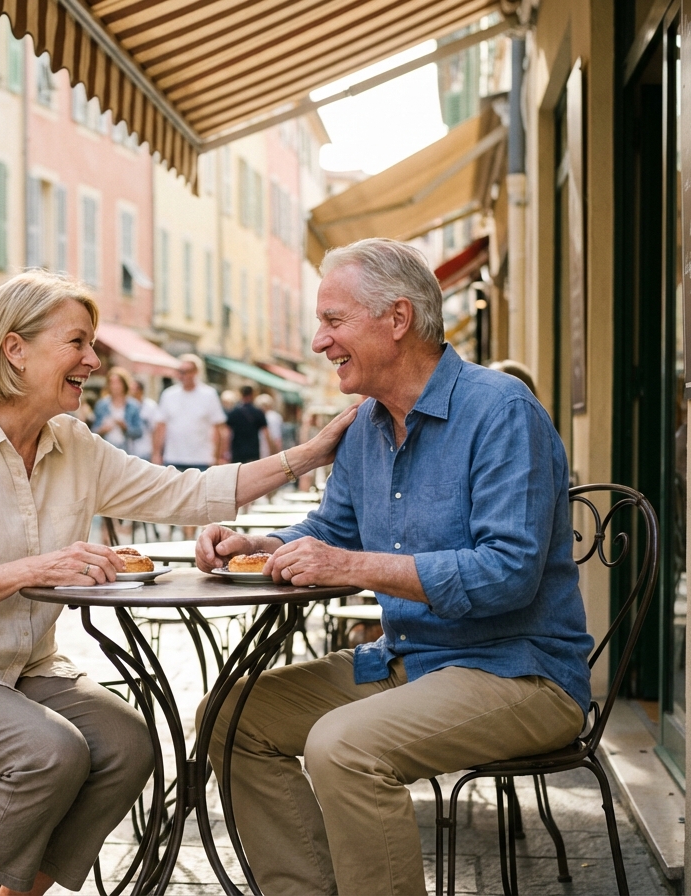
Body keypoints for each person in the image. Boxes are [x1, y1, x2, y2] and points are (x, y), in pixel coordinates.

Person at [0, 269, 357, 896]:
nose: (93, 359)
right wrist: (38, 569)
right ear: (15, 348)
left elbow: (188, 491)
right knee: (50, 751)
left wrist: (310, 454)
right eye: (77, 343)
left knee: (127, 744)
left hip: (18, 671)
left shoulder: (72, 443)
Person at [195, 238, 593, 896]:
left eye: (333, 320)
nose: (320, 342)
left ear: (398, 319)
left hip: (523, 673)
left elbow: (507, 573)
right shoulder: (364, 426)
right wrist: (264, 545)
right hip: (413, 659)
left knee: (342, 747)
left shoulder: (502, 413)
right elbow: (331, 531)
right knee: (231, 716)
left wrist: (347, 563)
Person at [151, 353, 226, 470]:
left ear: (196, 372)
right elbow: (160, 427)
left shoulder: (209, 395)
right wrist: (156, 454)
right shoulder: (168, 395)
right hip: (173, 459)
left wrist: (216, 457)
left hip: (202, 459)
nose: (184, 375)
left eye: (188, 371)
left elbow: (218, 428)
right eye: (181, 371)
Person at [91, 366, 143, 452]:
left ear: (124, 384)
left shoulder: (133, 406)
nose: (115, 386)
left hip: (126, 450)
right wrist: (102, 429)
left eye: (118, 382)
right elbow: (93, 431)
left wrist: (125, 427)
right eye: (111, 382)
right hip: (106, 448)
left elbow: (139, 432)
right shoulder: (101, 405)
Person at [225, 386, 267, 465]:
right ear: (253, 394)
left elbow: (227, 434)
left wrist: (226, 451)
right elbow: (266, 433)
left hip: (237, 450)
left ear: (241, 394)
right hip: (253, 450)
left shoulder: (234, 413)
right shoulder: (258, 413)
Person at [128, 379, 162, 462]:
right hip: (129, 450)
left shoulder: (150, 406)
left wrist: (156, 453)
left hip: (146, 450)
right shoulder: (127, 406)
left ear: (141, 391)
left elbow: (155, 430)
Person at [254, 393, 284, 459]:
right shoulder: (275, 416)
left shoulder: (271, 417)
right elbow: (277, 437)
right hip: (269, 450)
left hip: (261, 450)